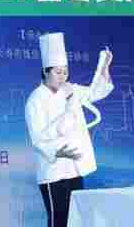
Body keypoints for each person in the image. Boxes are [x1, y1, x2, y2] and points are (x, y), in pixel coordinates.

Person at [25, 32, 114, 227]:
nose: (63, 76)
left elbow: (96, 92)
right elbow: (37, 139)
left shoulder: (71, 89)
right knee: (58, 221)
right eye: (58, 72)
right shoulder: (35, 99)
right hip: (53, 171)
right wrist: (58, 151)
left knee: (74, 219)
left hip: (74, 168)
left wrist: (104, 67)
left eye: (65, 72)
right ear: (46, 72)